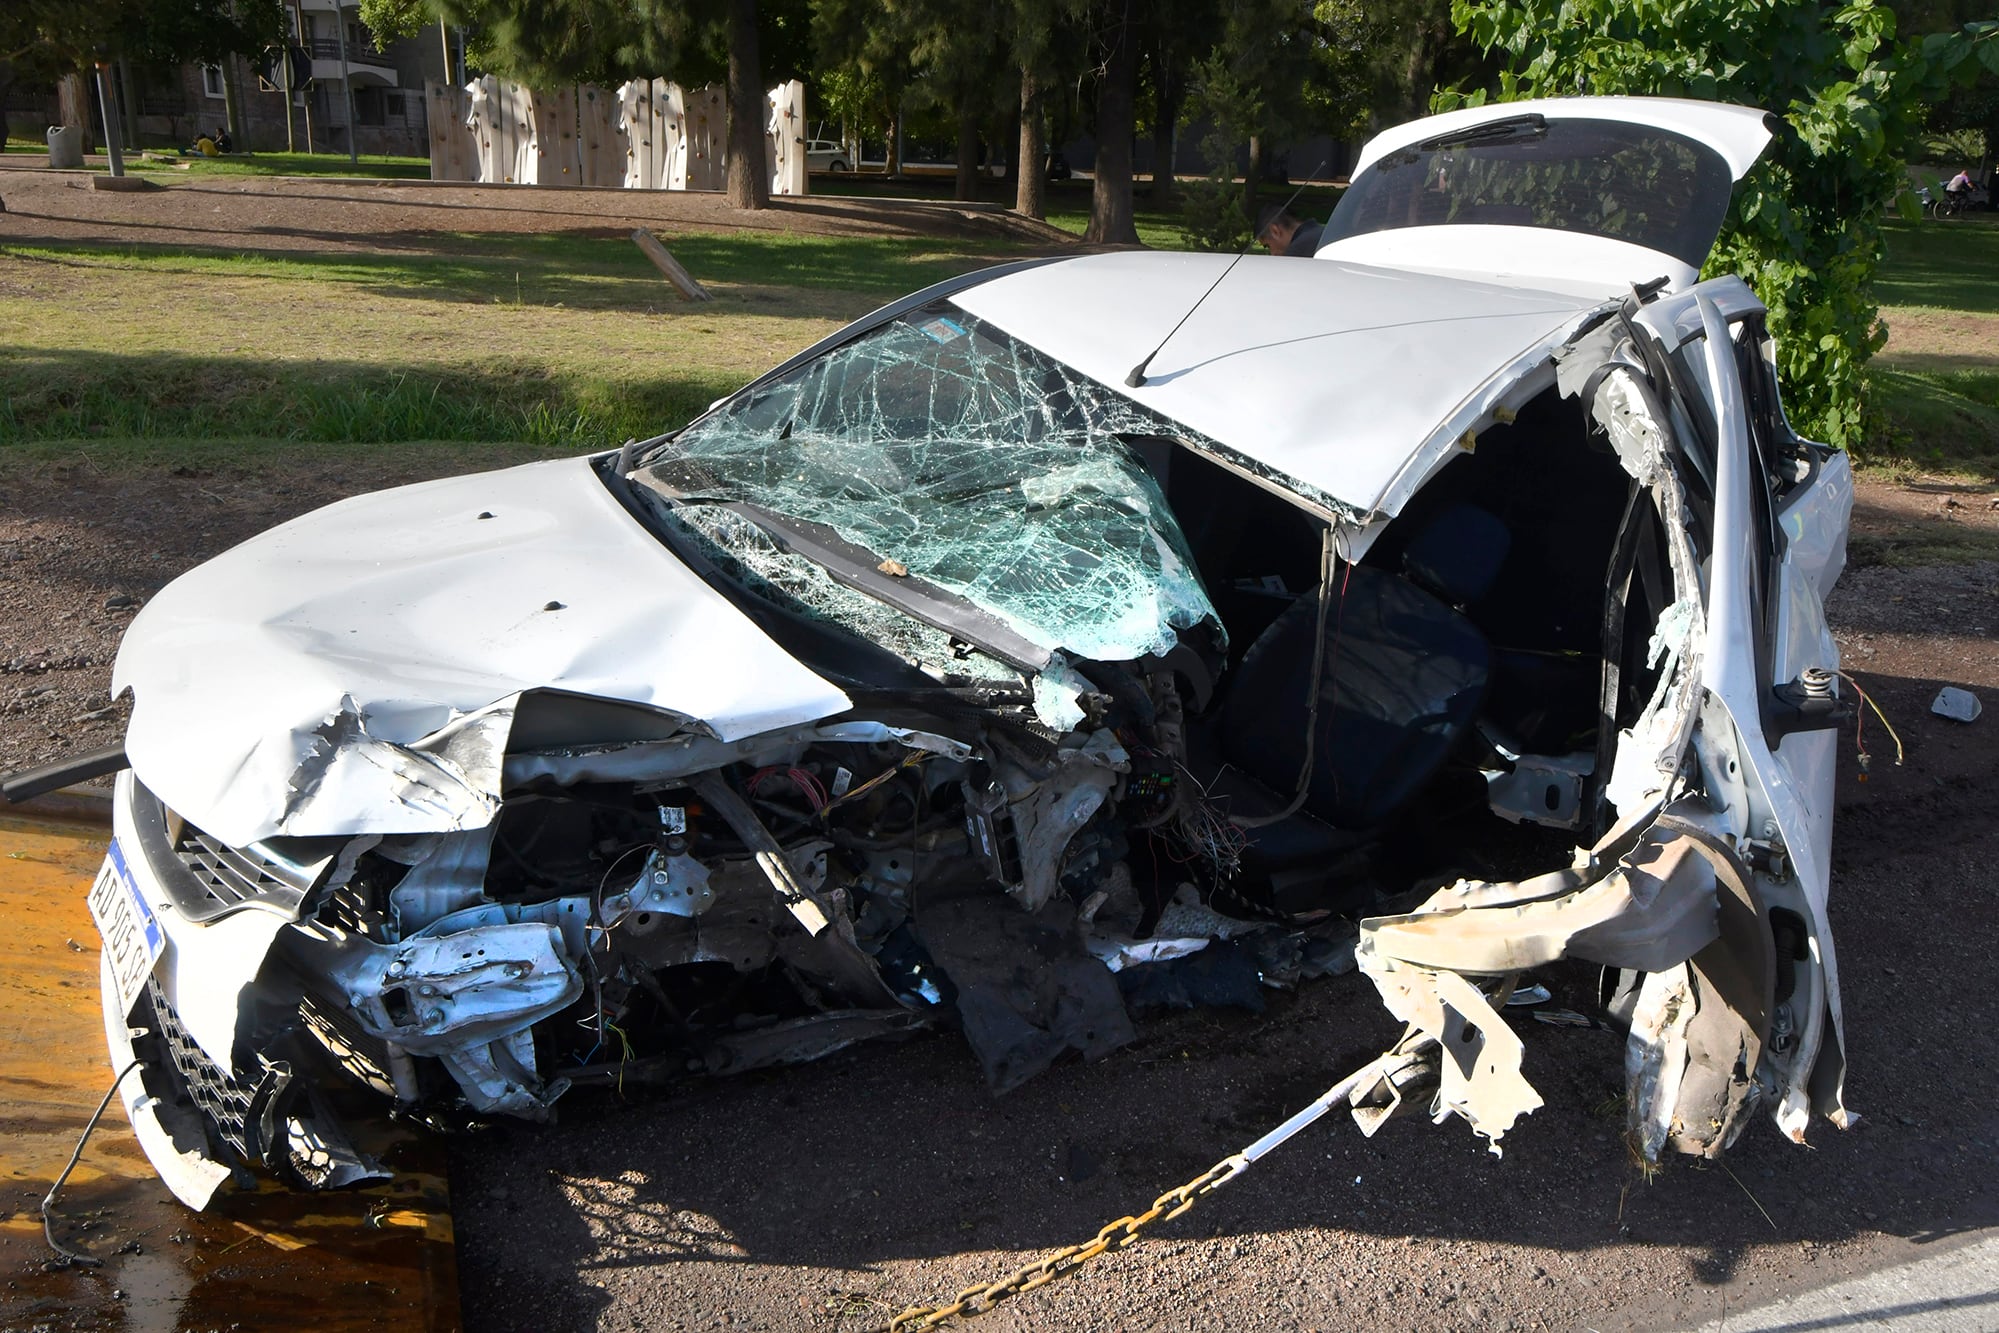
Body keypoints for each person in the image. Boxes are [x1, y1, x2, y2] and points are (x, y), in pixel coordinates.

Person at [1255, 204, 1322, 257]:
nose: (1272, 254)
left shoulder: (1297, 251)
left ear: (1275, 231)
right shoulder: (1322, 233)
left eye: (1267, 246)